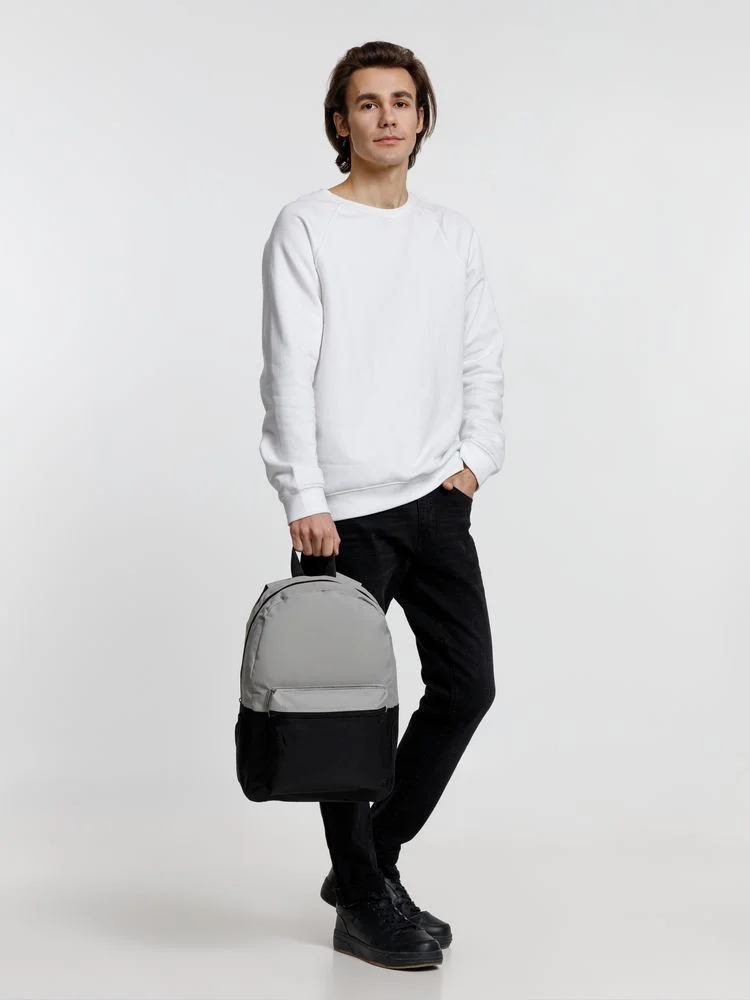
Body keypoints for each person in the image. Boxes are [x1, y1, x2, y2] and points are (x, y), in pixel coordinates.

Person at [257, 40, 505, 971]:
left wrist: (474, 461)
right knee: (343, 716)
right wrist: (304, 495)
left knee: (467, 686)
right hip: (342, 515)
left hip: (437, 500)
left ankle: (368, 864)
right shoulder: (306, 225)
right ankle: (364, 898)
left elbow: (482, 356)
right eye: (368, 103)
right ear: (342, 122)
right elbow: (287, 368)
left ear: (422, 116)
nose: (387, 116)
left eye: (402, 101)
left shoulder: (451, 235)